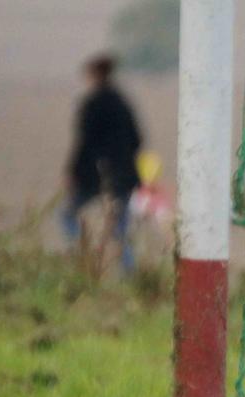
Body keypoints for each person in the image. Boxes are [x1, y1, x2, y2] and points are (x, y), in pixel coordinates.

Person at [60, 54, 142, 274]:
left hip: (93, 176)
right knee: (120, 229)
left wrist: (73, 172)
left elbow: (85, 142)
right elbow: (137, 139)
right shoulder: (123, 103)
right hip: (124, 175)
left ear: (94, 74)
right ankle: (130, 275)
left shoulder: (92, 104)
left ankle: (85, 254)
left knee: (67, 216)